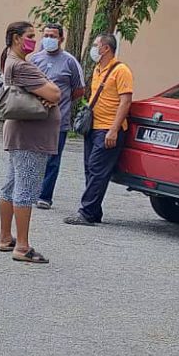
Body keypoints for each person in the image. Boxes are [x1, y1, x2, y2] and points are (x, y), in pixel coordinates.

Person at [0, 21, 62, 264]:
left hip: (20, 133)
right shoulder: (22, 65)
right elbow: (55, 93)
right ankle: (22, 247)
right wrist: (47, 95)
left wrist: (42, 94)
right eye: (30, 36)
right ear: (15, 38)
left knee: (10, 185)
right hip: (30, 137)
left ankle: (5, 237)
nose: (34, 41)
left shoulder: (11, 62)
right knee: (25, 190)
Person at [65, 33, 134, 226]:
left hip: (109, 128)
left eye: (96, 45)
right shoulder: (97, 69)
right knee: (90, 168)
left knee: (97, 169)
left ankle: (86, 212)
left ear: (106, 48)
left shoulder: (121, 71)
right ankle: (94, 211)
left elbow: (125, 101)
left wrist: (113, 130)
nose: (93, 49)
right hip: (94, 127)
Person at [30, 23, 85, 209]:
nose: (49, 39)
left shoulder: (70, 61)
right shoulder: (35, 59)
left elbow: (79, 90)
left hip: (58, 120)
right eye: (46, 35)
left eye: (53, 36)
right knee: (33, 155)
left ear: (61, 39)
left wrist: (62, 100)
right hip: (36, 118)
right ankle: (30, 191)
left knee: (52, 159)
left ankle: (45, 196)